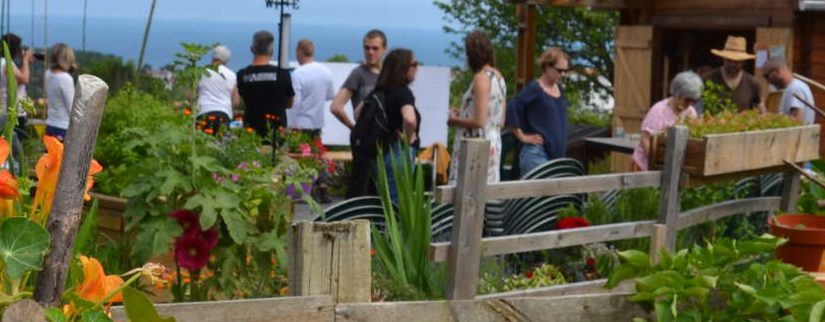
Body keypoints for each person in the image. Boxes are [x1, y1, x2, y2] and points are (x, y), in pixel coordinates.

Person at [347, 48, 421, 200]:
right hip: (398, 152)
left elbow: (357, 114)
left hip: (378, 153)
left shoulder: (378, 90)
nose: (417, 68)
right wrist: (408, 138)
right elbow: (409, 118)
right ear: (404, 68)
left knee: (381, 202)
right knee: (397, 205)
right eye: (414, 64)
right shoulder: (403, 93)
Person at [448, 30, 506, 184]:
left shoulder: (481, 78)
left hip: (475, 146)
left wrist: (455, 119)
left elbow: (480, 121)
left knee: (468, 191)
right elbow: (499, 118)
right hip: (493, 140)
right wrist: (464, 111)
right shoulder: (498, 77)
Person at [505, 47, 570, 176]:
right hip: (536, 154)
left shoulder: (559, 88)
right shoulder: (535, 88)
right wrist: (522, 136)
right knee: (539, 196)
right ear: (547, 67)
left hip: (556, 157)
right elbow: (512, 107)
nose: (563, 75)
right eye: (559, 70)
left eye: (565, 71)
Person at [632, 71, 702, 171]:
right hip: (645, 166)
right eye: (687, 100)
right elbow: (645, 139)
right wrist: (656, 163)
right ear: (677, 94)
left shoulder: (690, 112)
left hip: (671, 167)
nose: (689, 104)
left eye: (694, 101)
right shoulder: (659, 111)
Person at [236, 30, 295, 143]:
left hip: (251, 133)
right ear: (271, 51)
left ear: (252, 49)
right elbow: (290, 103)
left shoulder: (242, 75)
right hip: (277, 133)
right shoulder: (282, 74)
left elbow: (240, 102)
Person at [330, 29, 386, 130]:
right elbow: (336, 107)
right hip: (366, 138)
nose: (370, 52)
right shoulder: (358, 74)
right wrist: (354, 128)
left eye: (375, 48)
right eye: (367, 48)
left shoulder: (389, 75)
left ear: (384, 49)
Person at [704, 36, 765, 113]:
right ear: (723, 58)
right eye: (729, 60)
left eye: (737, 62)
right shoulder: (708, 79)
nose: (732, 64)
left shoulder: (752, 83)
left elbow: (762, 110)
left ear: (743, 61)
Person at [288, 39, 335, 135]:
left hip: (300, 126)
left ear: (299, 52)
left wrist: (288, 125)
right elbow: (330, 95)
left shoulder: (297, 74)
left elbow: (295, 103)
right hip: (318, 125)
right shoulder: (326, 71)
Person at [196, 45, 237, 135]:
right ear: (227, 60)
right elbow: (235, 102)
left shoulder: (201, 71)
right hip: (224, 115)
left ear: (213, 56)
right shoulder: (232, 75)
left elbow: (190, 95)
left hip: (203, 113)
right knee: (220, 145)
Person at [762, 56, 815, 124]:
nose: (768, 81)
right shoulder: (797, 86)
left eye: (767, 76)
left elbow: (796, 119)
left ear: (777, 71)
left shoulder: (794, 88)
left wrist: (770, 119)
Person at [45, 43, 76, 142]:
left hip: (50, 124)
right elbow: (72, 107)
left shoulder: (48, 74)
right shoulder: (66, 79)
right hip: (63, 127)